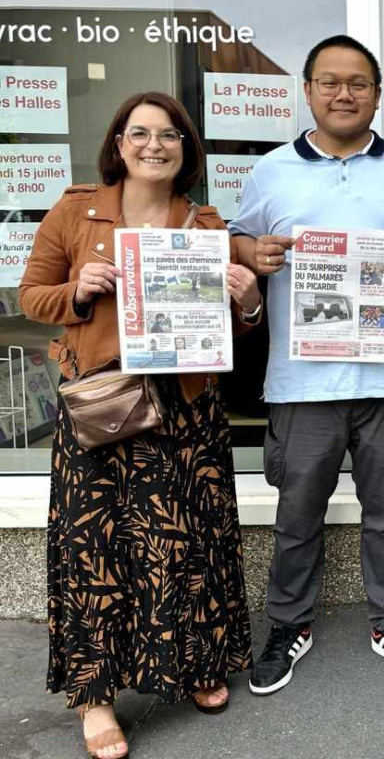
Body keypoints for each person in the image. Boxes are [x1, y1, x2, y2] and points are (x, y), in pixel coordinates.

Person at [20, 92, 263, 759]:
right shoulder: (78, 211)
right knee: (95, 551)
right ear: (119, 144)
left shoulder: (206, 226)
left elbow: (236, 329)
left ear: (187, 150)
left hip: (185, 411)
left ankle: (197, 664)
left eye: (170, 135)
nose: (155, 145)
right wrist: (78, 288)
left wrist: (247, 306)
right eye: (141, 133)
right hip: (104, 405)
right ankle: (97, 701)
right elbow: (30, 294)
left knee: (190, 543)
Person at [230, 35, 384, 694]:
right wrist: (255, 255)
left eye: (358, 83)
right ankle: (287, 624)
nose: (345, 93)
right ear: (308, 91)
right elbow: (241, 236)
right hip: (303, 378)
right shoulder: (271, 169)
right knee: (298, 511)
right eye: (330, 81)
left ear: (378, 96)